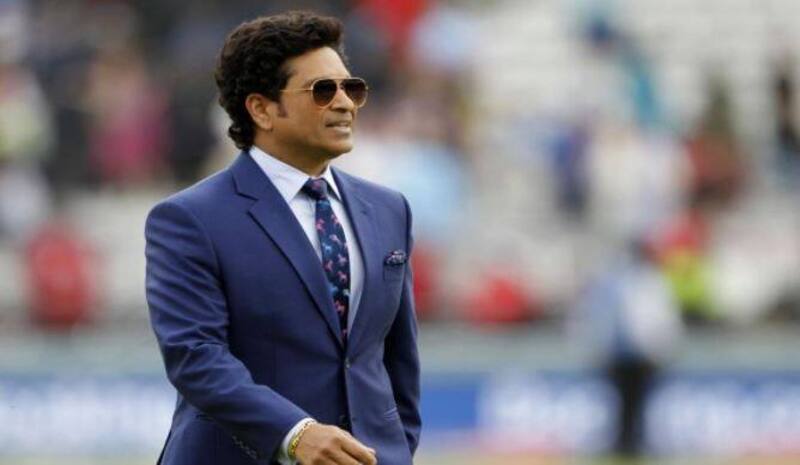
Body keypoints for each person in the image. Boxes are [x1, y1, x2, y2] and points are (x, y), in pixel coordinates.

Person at [145, 11, 420, 465]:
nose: (345, 103)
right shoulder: (189, 219)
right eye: (323, 90)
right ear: (261, 109)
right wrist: (294, 435)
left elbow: (396, 356)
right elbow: (195, 357)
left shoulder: (389, 210)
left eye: (351, 88)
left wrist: (397, 446)